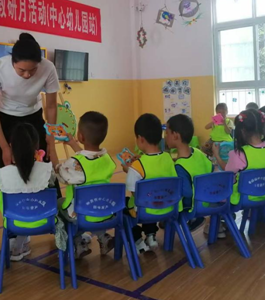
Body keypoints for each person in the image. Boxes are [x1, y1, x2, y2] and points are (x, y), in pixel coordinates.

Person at [0, 33, 61, 195]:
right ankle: (13, 206)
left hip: (34, 116)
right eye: (21, 70)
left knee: (44, 162)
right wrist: (4, 146)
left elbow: (51, 106)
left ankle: (52, 205)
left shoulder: (48, 68)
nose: (27, 75)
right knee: (9, 166)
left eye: (33, 70)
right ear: (12, 61)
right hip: (5, 119)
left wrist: (51, 139)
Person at [49, 111, 116, 259]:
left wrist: (51, 149)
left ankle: (78, 243)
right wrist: (73, 144)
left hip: (80, 214)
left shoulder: (74, 163)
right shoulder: (107, 159)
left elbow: (59, 172)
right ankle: (103, 237)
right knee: (93, 209)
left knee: (58, 205)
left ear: (81, 136)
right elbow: (88, 161)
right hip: (105, 209)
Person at [0, 123, 56, 261]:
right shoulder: (46, 170)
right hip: (45, 222)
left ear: (11, 146)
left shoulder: (3, 174)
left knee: (22, 210)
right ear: (37, 146)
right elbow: (52, 183)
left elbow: (0, 196)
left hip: (13, 223)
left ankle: (17, 245)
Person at [124, 113, 177, 253]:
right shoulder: (168, 158)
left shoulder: (137, 166)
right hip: (168, 207)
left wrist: (129, 170)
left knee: (124, 207)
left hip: (145, 211)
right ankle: (151, 234)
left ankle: (137, 240)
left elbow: (135, 195)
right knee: (153, 196)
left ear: (140, 139)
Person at [213, 109, 265, 205]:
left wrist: (217, 155)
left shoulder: (239, 154)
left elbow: (227, 171)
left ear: (242, 130)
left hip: (241, 198)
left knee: (215, 189)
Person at [165, 114, 212, 231]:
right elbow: (210, 168)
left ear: (175, 135)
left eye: (167, 133)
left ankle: (191, 219)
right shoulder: (198, 152)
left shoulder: (179, 166)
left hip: (192, 206)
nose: (165, 137)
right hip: (208, 199)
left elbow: (186, 192)